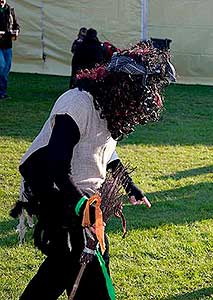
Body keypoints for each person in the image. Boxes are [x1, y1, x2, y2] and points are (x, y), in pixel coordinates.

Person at [11, 40, 175, 300]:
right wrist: (81, 208)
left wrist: (129, 186)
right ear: (121, 87)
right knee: (70, 261)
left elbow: (107, 153)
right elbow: (56, 165)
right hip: (54, 191)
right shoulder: (77, 103)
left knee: (75, 263)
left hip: (82, 197)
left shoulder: (110, 111)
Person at [0, 0, 19, 100]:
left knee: (6, 69)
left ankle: (3, 92)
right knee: (1, 66)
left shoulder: (10, 10)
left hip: (7, 44)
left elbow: (16, 25)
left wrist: (16, 31)